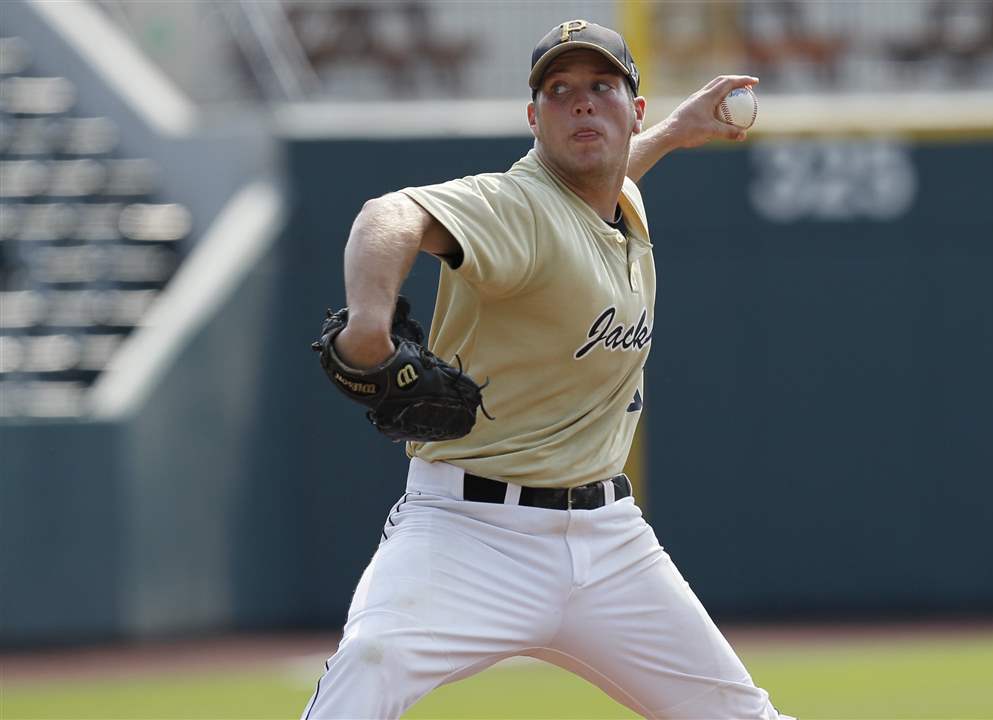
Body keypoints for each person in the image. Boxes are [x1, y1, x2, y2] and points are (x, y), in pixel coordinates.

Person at [303, 19, 791, 720]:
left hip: (609, 542)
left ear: (634, 110)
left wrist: (678, 133)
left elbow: (616, 169)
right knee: (371, 664)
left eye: (602, 87)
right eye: (560, 92)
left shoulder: (617, 195)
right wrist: (370, 324)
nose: (582, 103)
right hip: (469, 533)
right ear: (535, 120)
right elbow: (392, 213)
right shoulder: (518, 207)